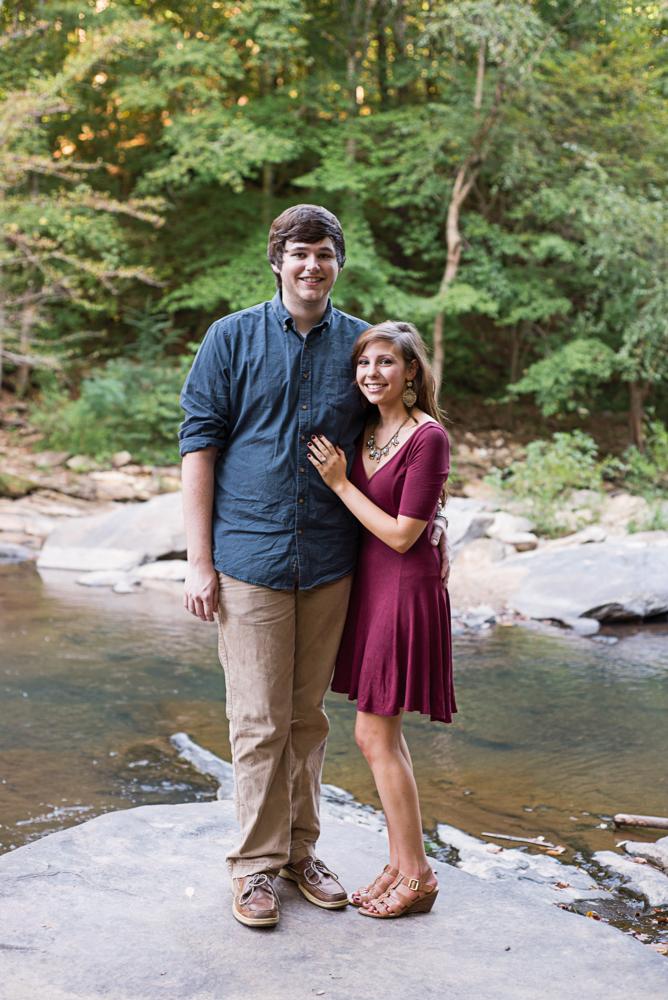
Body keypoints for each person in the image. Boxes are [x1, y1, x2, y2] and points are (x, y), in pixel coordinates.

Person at [179, 204, 450, 928]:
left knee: (307, 720)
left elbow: (399, 431)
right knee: (258, 720)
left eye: (324, 254)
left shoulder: (360, 346)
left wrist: (432, 516)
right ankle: (255, 869)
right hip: (249, 557)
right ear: (276, 261)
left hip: (332, 563)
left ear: (338, 263)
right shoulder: (230, 338)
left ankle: (301, 852)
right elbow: (197, 447)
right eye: (298, 253)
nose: (311, 266)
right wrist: (198, 561)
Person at [308, 320, 455, 919]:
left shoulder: (428, 438)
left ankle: (418, 875)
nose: (372, 374)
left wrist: (340, 483)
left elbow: (401, 534)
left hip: (404, 587)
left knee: (372, 734)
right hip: (370, 588)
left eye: (387, 363)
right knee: (383, 735)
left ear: (412, 371)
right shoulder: (368, 428)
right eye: (364, 363)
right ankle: (399, 861)